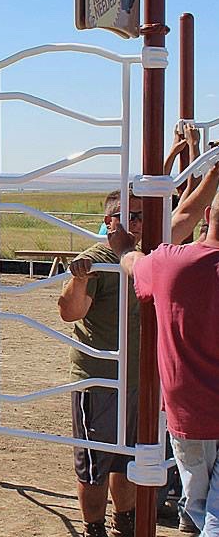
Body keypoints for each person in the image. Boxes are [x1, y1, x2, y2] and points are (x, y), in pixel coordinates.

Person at [58, 158, 218, 537]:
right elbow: (69, 311)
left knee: (129, 458)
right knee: (96, 462)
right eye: (129, 216)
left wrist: (213, 171)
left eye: (142, 216)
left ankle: (124, 522)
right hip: (99, 378)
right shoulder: (97, 259)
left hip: (139, 379)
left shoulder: (155, 255)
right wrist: (79, 280)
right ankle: (94, 527)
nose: (139, 222)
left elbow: (190, 211)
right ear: (111, 222)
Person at [107, 164, 219, 536]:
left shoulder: (171, 264)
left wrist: (123, 245)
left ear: (207, 218)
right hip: (196, 412)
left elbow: (135, 259)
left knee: (202, 502)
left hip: (187, 412)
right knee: (208, 510)